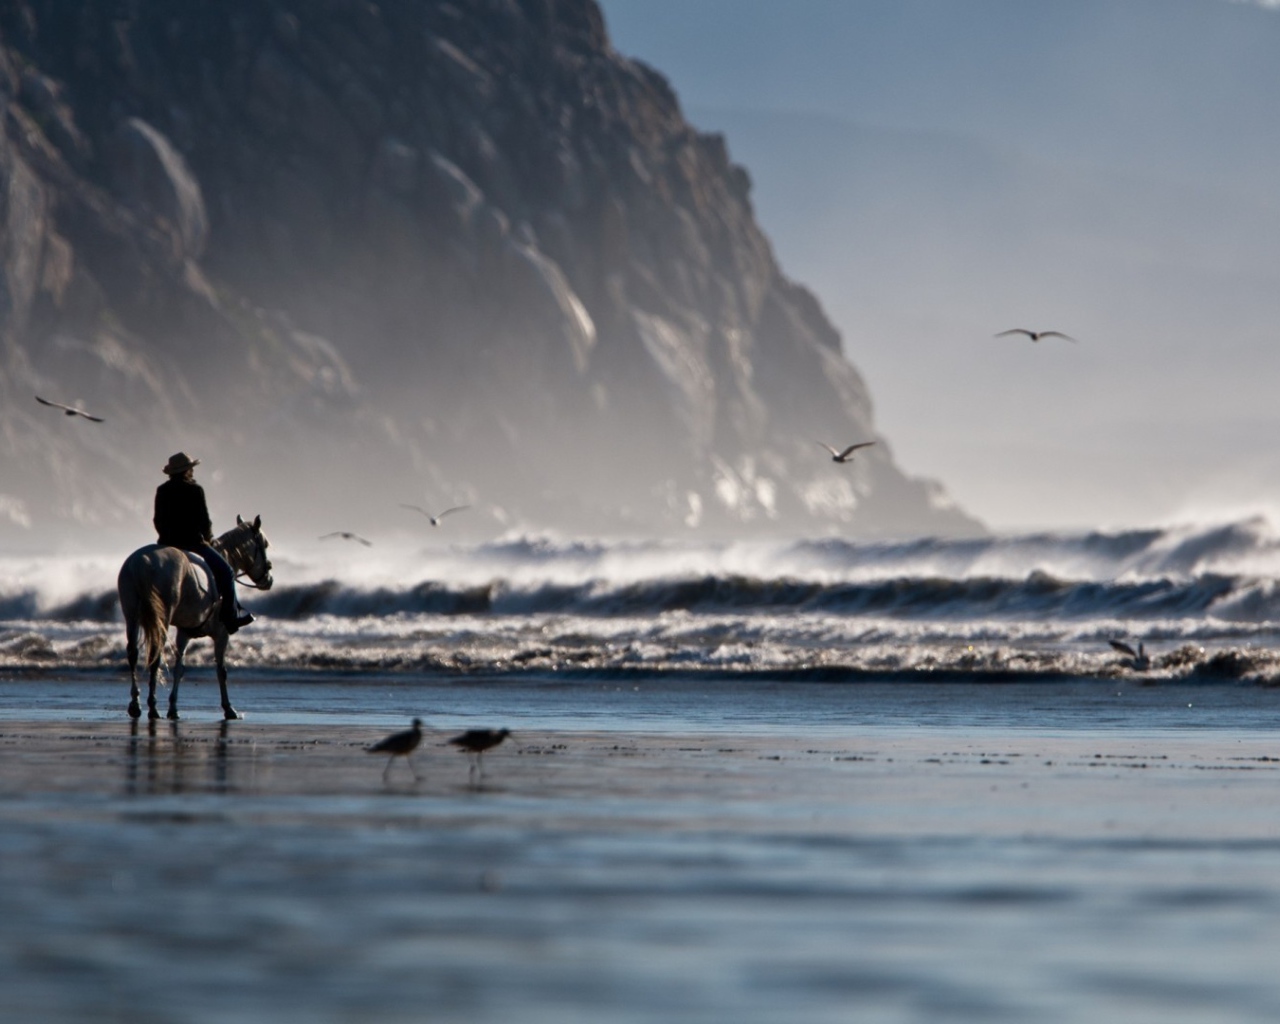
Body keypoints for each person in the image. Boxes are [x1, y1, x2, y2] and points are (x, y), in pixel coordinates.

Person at [153, 452, 254, 634]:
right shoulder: (195, 490)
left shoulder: (162, 490)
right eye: (191, 468)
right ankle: (231, 618)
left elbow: (157, 520)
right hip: (192, 543)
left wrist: (165, 539)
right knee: (227, 572)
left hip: (166, 545)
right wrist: (208, 539)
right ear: (187, 471)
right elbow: (204, 521)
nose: (192, 471)